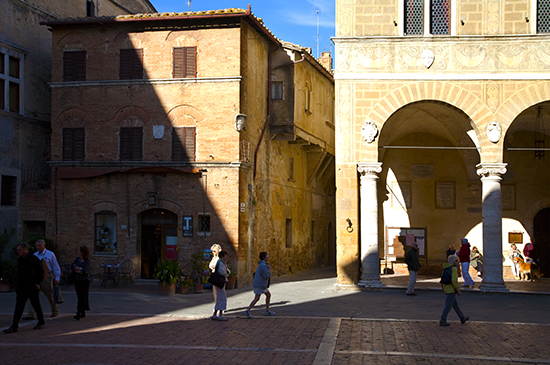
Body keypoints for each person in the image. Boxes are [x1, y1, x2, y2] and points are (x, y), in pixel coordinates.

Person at [3, 242, 45, 333]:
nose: (18, 252)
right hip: (22, 286)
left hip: (31, 285)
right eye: (17, 250)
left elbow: (41, 272)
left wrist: (37, 283)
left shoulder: (33, 259)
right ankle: (14, 326)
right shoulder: (20, 260)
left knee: (35, 304)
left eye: (19, 250)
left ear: (25, 249)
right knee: (19, 306)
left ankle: (41, 321)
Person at [24, 239, 61, 320]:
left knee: (50, 294)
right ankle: (31, 314)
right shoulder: (35, 255)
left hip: (47, 277)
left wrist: (57, 277)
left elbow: (55, 266)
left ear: (43, 246)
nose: (38, 247)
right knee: (33, 295)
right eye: (37, 246)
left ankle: (55, 310)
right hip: (36, 277)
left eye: (39, 245)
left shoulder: (50, 254)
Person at [244, 252, 275, 318]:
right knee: (257, 298)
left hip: (260, 284)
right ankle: (247, 310)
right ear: (264, 257)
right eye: (267, 256)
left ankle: (267, 310)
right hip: (260, 284)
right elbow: (266, 275)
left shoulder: (262, 265)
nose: (268, 257)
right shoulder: (263, 265)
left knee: (268, 295)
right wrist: (269, 270)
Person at [440, 255, 469, 326]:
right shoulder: (453, 269)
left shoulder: (445, 267)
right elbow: (454, 280)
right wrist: (457, 289)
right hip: (451, 290)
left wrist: (444, 289)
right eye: (456, 260)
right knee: (448, 306)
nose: (457, 262)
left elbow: (442, 279)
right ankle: (442, 320)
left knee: (455, 305)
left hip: (447, 288)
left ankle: (462, 317)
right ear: (453, 261)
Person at [71, 246, 91, 320]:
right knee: (79, 296)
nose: (77, 252)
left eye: (79, 250)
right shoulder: (77, 259)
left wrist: (78, 269)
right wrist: (78, 269)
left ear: (82, 252)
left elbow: (85, 270)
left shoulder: (87, 261)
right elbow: (72, 266)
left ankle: (78, 312)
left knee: (82, 297)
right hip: (77, 280)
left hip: (84, 281)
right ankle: (82, 312)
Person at [211, 250, 230, 321]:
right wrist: (227, 273)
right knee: (222, 298)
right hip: (220, 282)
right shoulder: (221, 263)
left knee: (219, 298)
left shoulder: (221, 263)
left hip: (218, 282)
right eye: (226, 256)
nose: (227, 257)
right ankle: (220, 315)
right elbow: (223, 272)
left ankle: (215, 314)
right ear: (222, 256)